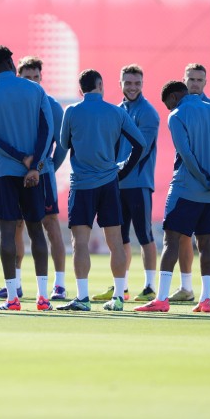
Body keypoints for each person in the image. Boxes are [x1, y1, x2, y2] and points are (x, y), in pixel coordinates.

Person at [134, 81, 210, 313]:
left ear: (175, 96)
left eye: (168, 103)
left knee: (171, 241)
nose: (169, 108)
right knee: (206, 243)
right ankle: (206, 299)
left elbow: (186, 154)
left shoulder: (177, 115)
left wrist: (204, 178)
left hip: (186, 188)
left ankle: (161, 299)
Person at [57, 69, 145, 312]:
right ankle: (118, 298)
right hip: (108, 182)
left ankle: (83, 298)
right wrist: (122, 171)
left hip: (82, 184)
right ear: (101, 86)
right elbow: (140, 144)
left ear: (80, 90)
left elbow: (64, 144)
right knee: (116, 242)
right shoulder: (117, 111)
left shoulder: (72, 111)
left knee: (80, 243)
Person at [0, 45, 54, 312]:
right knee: (36, 231)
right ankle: (43, 298)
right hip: (34, 173)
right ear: (10, 62)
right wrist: (35, 164)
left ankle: (12, 298)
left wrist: (19, 156)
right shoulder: (35, 90)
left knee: (8, 233)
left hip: (5, 173)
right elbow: (47, 130)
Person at [0, 56, 67, 300]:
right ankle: (16, 284)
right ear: (18, 77)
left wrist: (46, 168)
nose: (32, 81)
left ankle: (59, 285)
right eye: (27, 77)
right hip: (14, 174)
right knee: (16, 228)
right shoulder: (15, 102)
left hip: (41, 174)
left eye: (36, 77)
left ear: (42, 78)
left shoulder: (51, 105)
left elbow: (61, 145)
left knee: (50, 224)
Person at [92, 64, 159, 303]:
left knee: (144, 234)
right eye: (128, 83)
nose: (132, 87)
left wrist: (117, 171)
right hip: (116, 183)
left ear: (143, 84)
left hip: (138, 182)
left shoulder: (148, 113)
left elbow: (142, 150)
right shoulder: (117, 110)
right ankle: (122, 286)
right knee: (120, 237)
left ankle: (150, 286)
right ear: (120, 84)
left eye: (137, 83)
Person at [169, 63, 210, 303]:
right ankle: (186, 286)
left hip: (208, 184)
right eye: (191, 79)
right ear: (184, 80)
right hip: (194, 182)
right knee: (184, 237)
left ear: (206, 83)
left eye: (199, 80)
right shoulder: (180, 108)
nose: (195, 83)